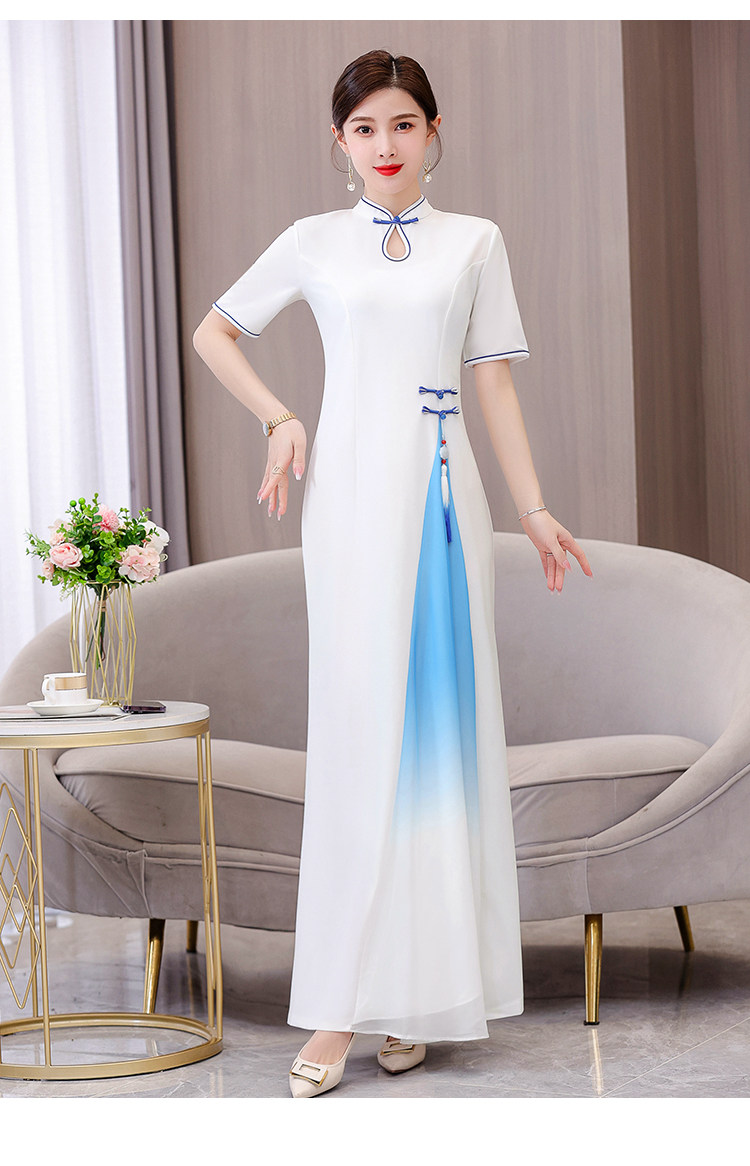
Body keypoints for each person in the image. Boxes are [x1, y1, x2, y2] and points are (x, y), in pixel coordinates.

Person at [193, 48, 593, 1098]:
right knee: (361, 736)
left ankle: (415, 997)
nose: (384, 144)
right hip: (354, 500)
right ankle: (336, 1008)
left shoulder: (476, 240)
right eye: (365, 127)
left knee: (438, 742)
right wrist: (280, 417)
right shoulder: (313, 241)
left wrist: (534, 509)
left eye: (403, 124)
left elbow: (493, 384)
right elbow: (215, 331)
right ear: (341, 140)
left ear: (433, 130)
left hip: (447, 500)